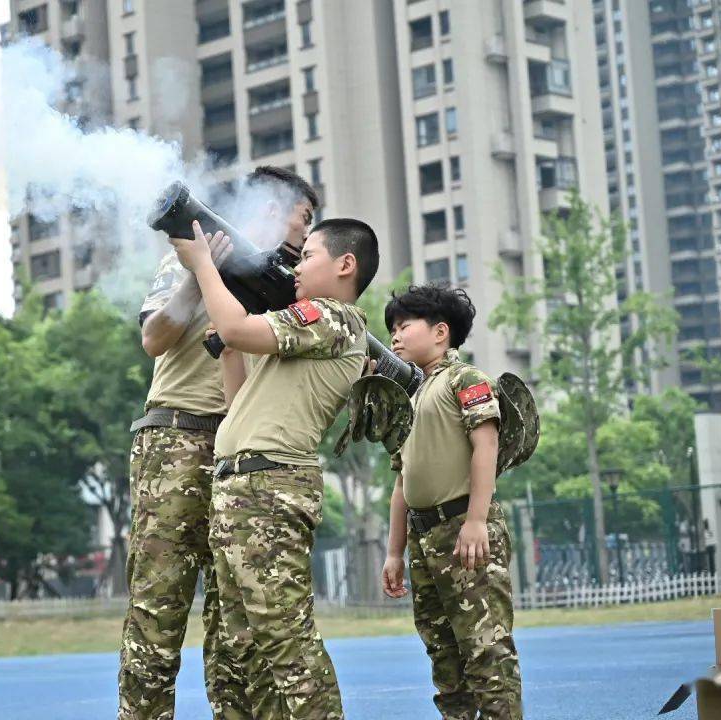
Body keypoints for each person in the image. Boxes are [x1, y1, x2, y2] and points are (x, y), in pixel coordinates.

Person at [118, 166, 320, 720]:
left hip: (243, 454)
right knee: (158, 612)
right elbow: (153, 339)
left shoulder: (292, 292)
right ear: (270, 206)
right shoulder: (192, 258)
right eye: (303, 219)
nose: (304, 234)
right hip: (177, 440)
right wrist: (198, 272)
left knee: (236, 626)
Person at [170, 216, 380, 719]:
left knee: (285, 642)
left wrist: (203, 266)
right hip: (241, 485)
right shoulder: (300, 331)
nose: (297, 267)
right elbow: (240, 400)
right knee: (242, 651)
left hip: (270, 487)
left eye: (309, 256)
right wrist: (227, 352)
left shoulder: (334, 319)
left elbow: (237, 326)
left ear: (345, 265)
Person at [380, 284, 523, 719]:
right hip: (426, 539)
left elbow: (487, 445)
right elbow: (404, 480)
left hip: (464, 531)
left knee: (487, 656)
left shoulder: (467, 380)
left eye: (404, 326)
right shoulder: (412, 394)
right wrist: (394, 551)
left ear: (441, 332)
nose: (395, 336)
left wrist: (477, 521)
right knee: (445, 662)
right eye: (392, 329)